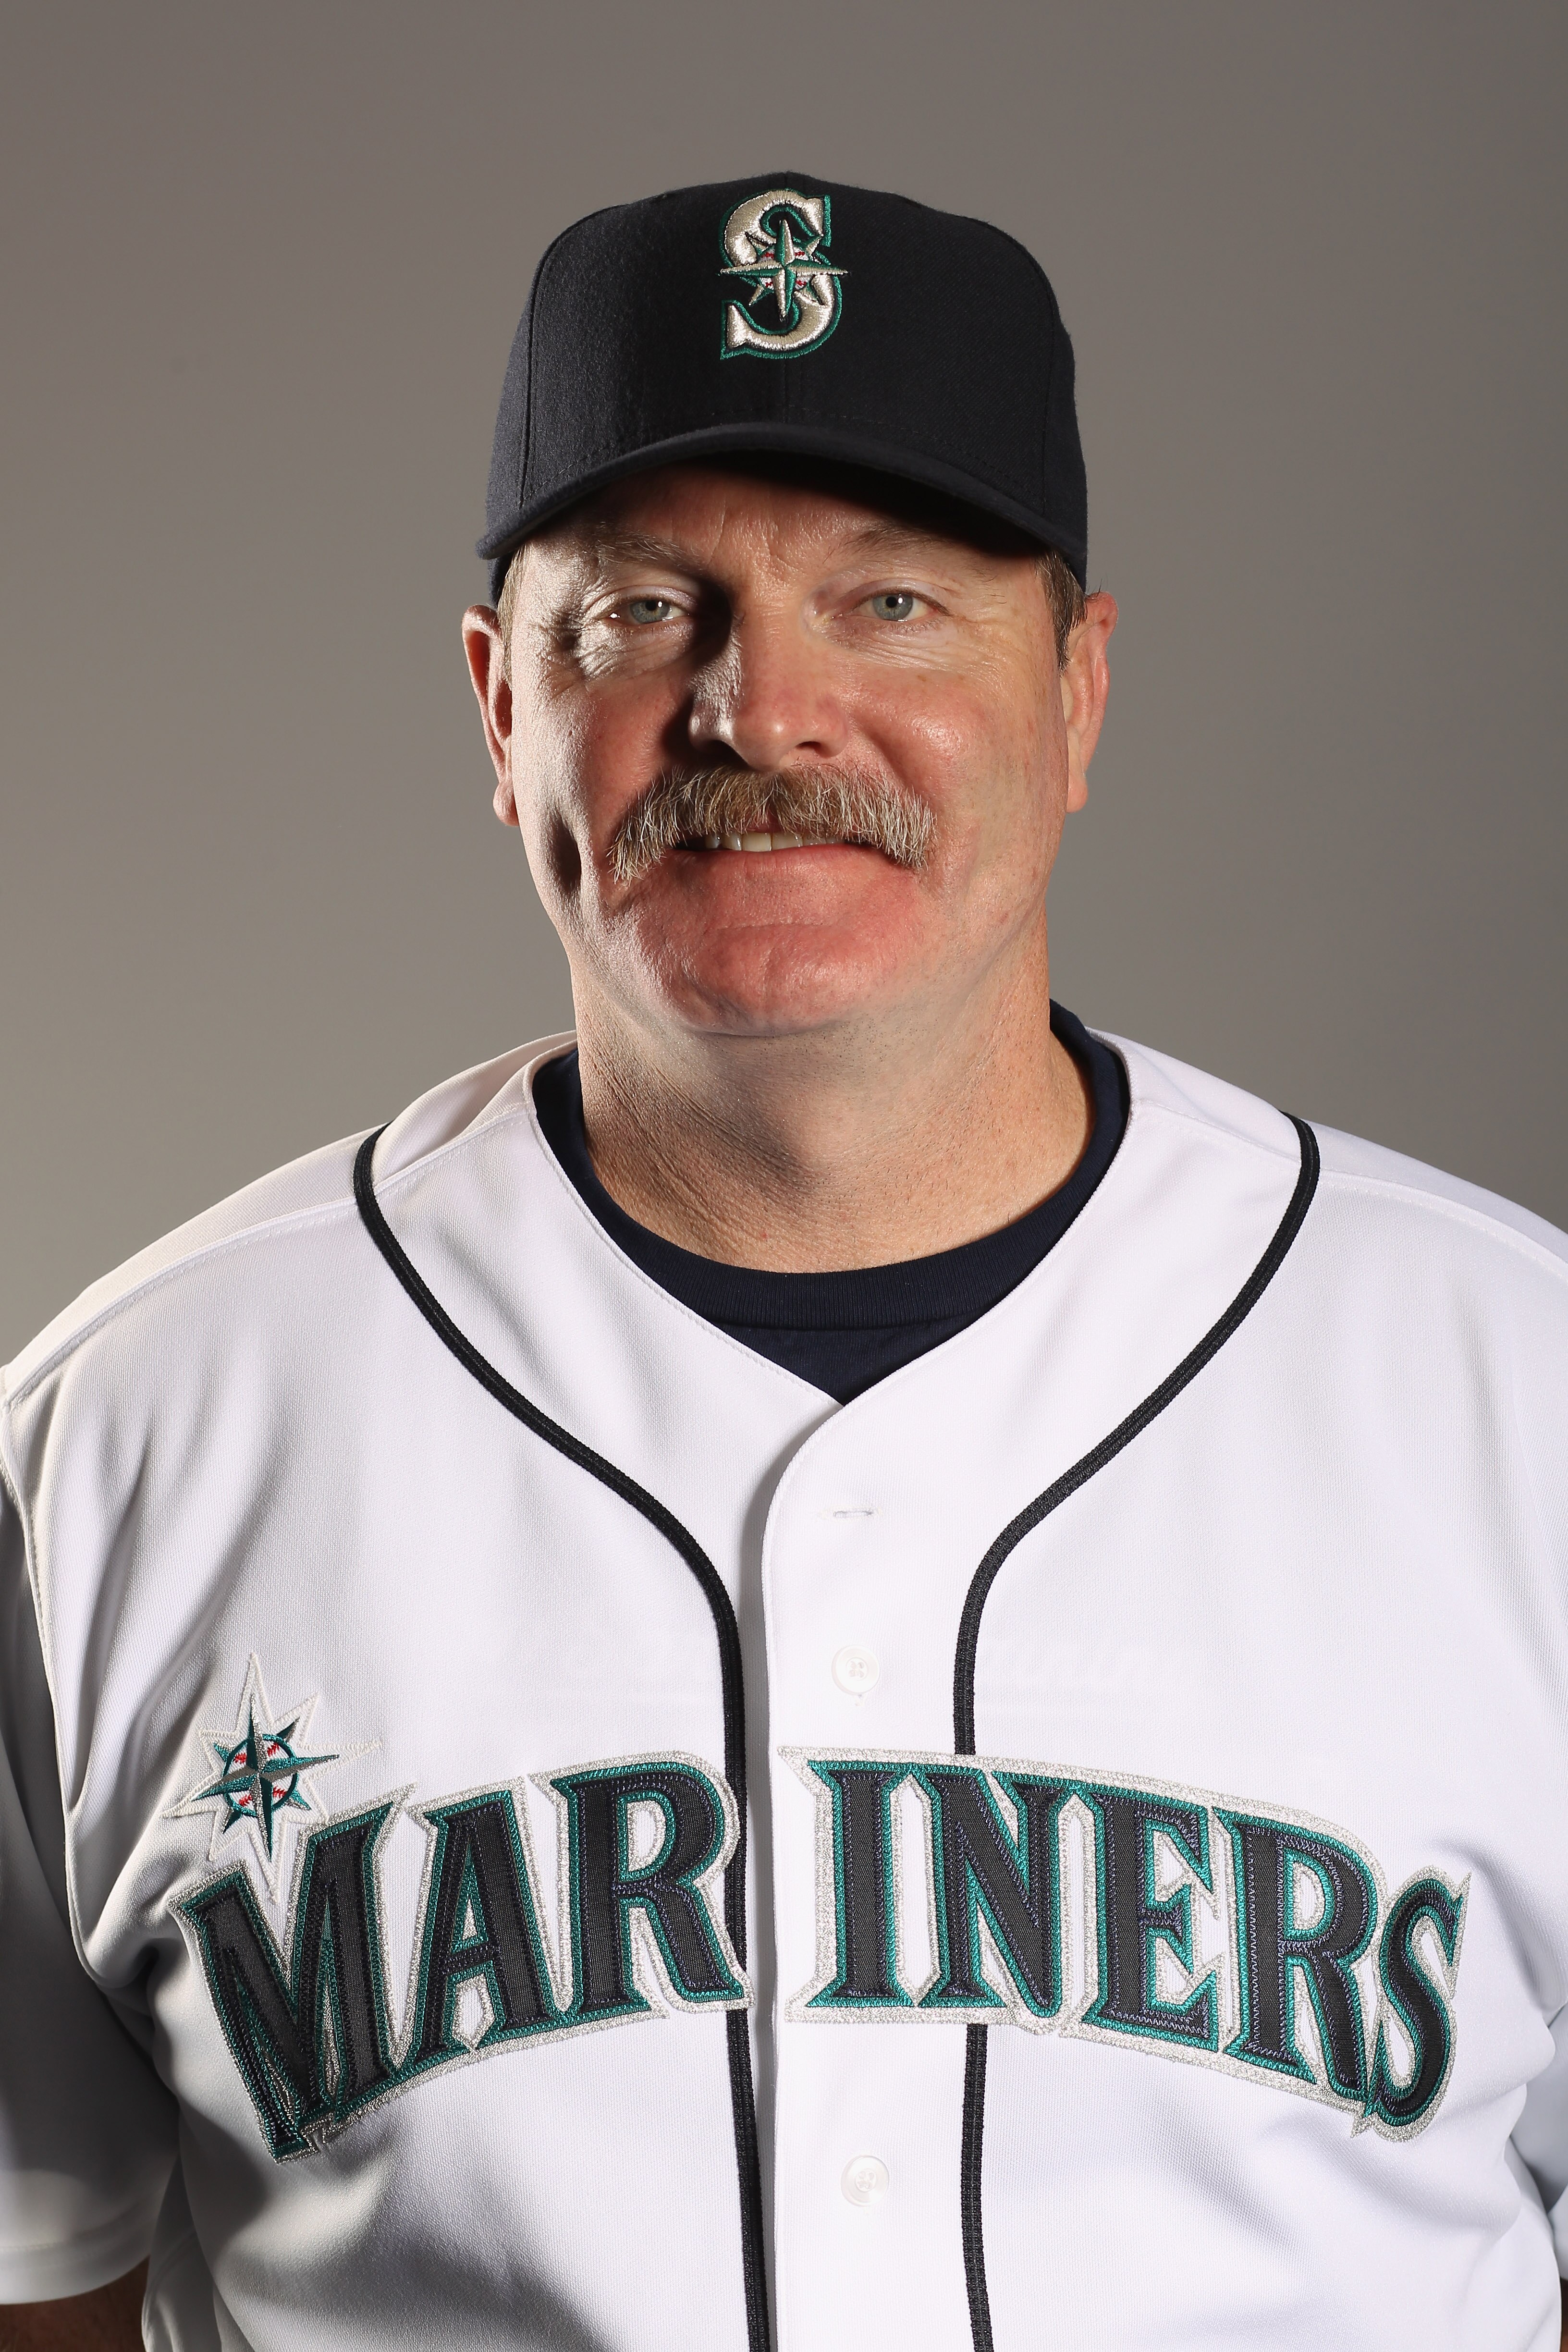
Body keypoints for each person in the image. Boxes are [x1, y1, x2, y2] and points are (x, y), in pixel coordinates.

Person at [1, 172, 1565, 2352]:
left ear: (1081, 687)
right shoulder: (123, 1442)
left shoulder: (1516, 1396)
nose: (764, 712)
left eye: (896, 603)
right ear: (495, 706)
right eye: (642, 613)